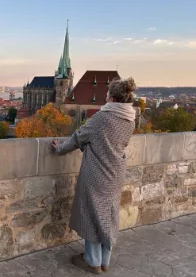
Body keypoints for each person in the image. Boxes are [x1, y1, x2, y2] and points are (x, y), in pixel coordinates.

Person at [52, 77, 137, 274]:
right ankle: (104, 261)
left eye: (107, 94)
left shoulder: (103, 117)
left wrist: (59, 149)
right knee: (108, 215)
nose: (105, 96)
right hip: (115, 173)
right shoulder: (129, 120)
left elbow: (78, 137)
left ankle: (92, 261)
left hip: (96, 173)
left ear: (113, 98)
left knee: (92, 215)